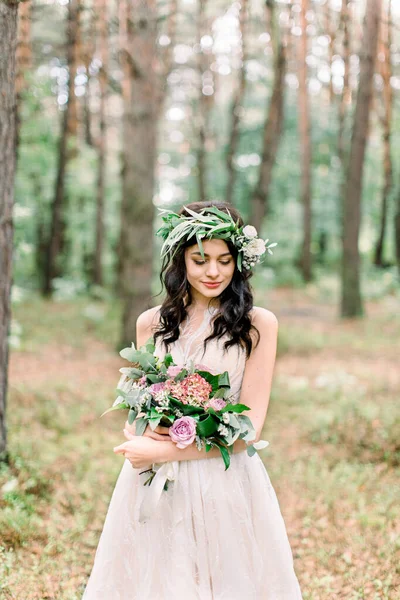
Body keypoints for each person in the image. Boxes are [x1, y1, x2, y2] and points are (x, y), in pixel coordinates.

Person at [82, 201, 302, 599]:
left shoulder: (257, 325)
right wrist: (141, 426)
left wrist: (164, 453)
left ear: (239, 260)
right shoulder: (151, 323)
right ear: (180, 261)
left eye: (224, 260)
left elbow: (249, 429)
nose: (213, 271)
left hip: (224, 476)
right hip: (156, 479)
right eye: (200, 260)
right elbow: (139, 408)